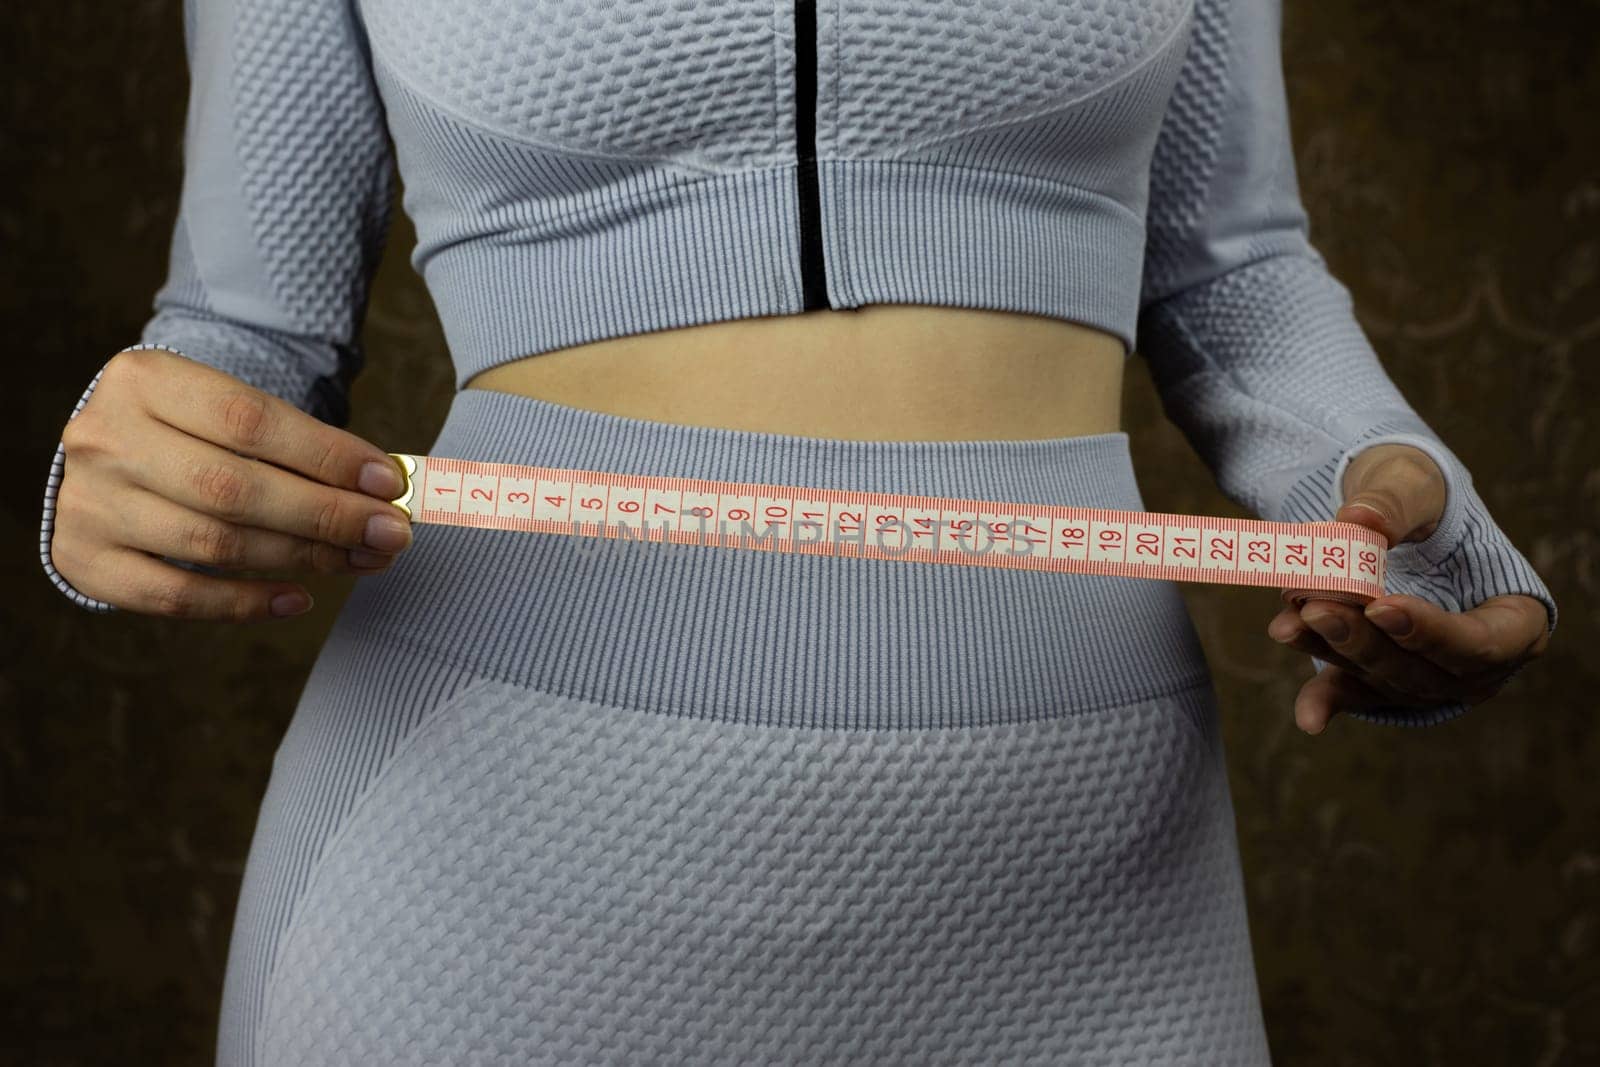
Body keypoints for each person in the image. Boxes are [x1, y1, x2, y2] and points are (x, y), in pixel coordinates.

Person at [37, 0, 1556, 1063]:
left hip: (1090, 917)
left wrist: (1411, 517)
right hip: (476, 905)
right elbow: (242, 336)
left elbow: (1235, 270)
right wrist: (135, 474)